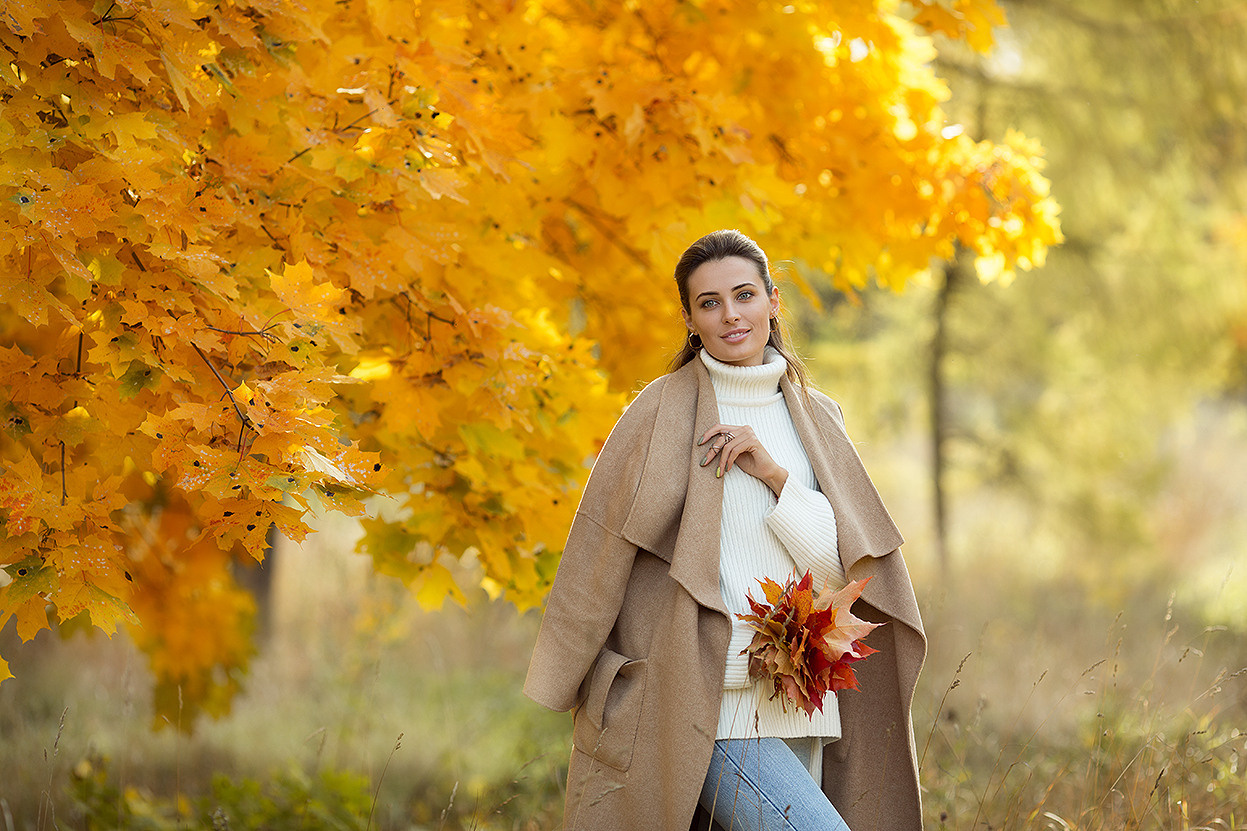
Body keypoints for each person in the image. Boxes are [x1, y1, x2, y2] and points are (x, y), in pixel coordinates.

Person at [524, 230, 927, 831]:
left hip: (800, 701)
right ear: (690, 319)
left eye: (744, 295)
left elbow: (842, 569)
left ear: (773, 302)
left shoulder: (818, 417)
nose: (730, 315)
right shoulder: (657, 413)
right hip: (706, 704)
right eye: (709, 303)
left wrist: (774, 477)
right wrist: (573, 674)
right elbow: (598, 552)